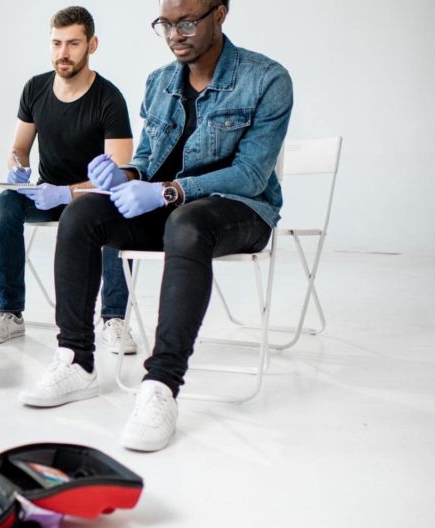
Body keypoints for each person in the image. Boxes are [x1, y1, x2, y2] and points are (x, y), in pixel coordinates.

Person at [22, 0, 293, 452]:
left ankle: (161, 385)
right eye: (165, 24)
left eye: (186, 23)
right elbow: (147, 159)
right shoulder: (160, 81)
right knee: (82, 213)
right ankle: (75, 359)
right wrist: (123, 175)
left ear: (219, 15)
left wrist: (169, 191)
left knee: (187, 222)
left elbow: (250, 175)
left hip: (239, 210)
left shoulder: (266, 79)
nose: (174, 35)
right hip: (170, 209)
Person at [0, 6, 138, 361]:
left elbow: (119, 174)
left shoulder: (109, 98)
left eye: (73, 43)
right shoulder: (35, 89)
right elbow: (19, 149)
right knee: (6, 204)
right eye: (56, 43)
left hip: (94, 197)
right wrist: (18, 167)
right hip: (46, 193)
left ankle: (114, 318)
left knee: (120, 206)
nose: (63, 53)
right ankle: (10, 312)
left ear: (92, 45)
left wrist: (67, 193)